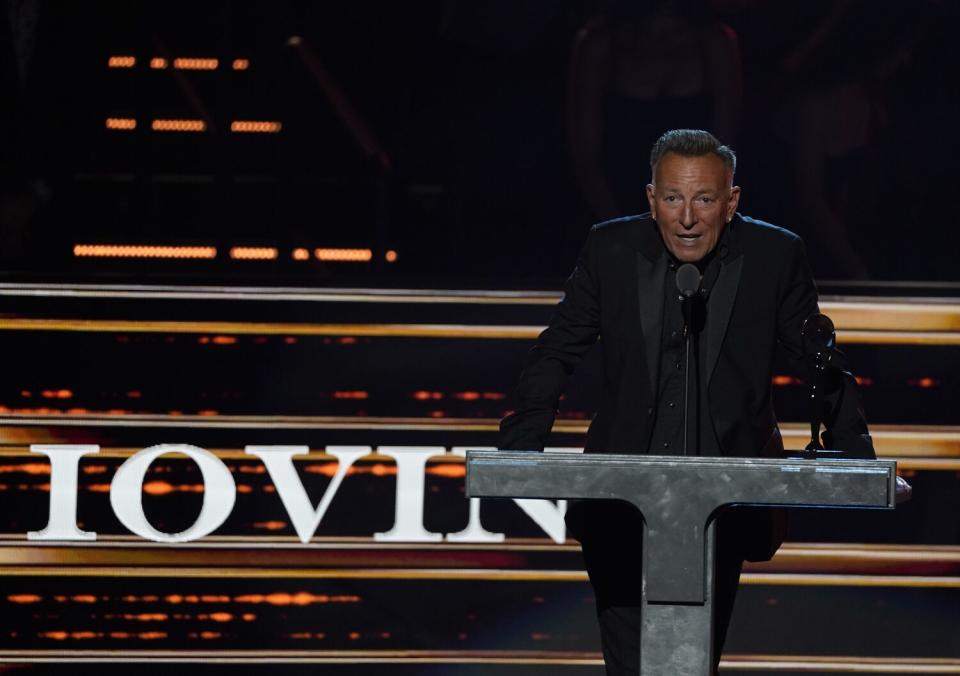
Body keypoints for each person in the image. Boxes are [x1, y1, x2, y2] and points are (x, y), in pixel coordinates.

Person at [498, 129, 874, 676]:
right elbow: (558, 348)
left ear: (731, 201)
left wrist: (856, 457)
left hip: (724, 505)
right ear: (651, 199)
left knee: (692, 660)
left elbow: (818, 359)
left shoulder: (774, 254)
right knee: (631, 662)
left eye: (704, 199)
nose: (688, 218)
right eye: (673, 199)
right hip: (621, 501)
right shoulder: (611, 248)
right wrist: (518, 450)